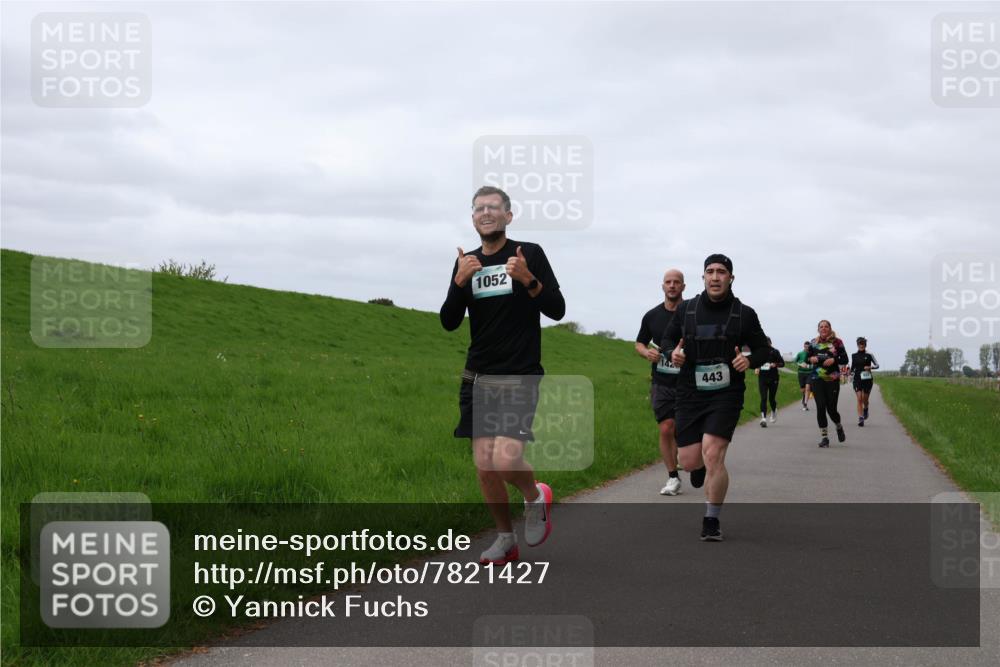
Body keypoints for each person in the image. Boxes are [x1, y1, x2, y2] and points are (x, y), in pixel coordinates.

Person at [440, 186, 565, 565]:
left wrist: (528, 279)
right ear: (473, 218)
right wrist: (459, 282)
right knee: (484, 465)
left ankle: (534, 497)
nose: (486, 212)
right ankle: (505, 540)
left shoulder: (529, 254)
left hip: (520, 374)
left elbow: (557, 309)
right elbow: (448, 322)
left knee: (506, 461)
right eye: (479, 208)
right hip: (477, 376)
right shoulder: (467, 262)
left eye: (494, 207)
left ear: (508, 216)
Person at [661, 254, 770, 541]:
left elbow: (764, 349)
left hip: (727, 393)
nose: (715, 276)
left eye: (722, 272)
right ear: (703, 278)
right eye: (710, 271)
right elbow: (667, 341)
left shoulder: (744, 313)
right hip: (689, 392)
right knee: (689, 461)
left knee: (713, 453)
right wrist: (672, 353)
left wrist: (749, 360)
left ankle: (711, 520)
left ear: (731, 278)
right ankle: (697, 471)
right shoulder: (686, 310)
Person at [635, 270, 686, 495]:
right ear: (662, 286)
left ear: (683, 287)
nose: (672, 285)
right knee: (667, 427)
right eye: (668, 282)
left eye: (677, 282)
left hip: (690, 382)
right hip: (662, 381)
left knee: (685, 431)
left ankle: (692, 460)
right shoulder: (652, 316)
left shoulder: (692, 312)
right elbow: (639, 343)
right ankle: (673, 478)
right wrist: (647, 353)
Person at [807, 321, 849, 447]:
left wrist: (834, 359)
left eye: (826, 326)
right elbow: (806, 358)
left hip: (832, 379)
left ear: (830, 329)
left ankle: (838, 426)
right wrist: (811, 359)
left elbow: (845, 359)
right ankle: (824, 437)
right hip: (817, 378)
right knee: (820, 407)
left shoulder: (837, 342)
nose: (824, 328)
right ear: (818, 329)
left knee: (831, 409)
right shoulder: (813, 342)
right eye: (821, 326)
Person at [755, 337, 784, 427]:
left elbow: (782, 363)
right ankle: (763, 418)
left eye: (767, 343)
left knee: (771, 398)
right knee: (763, 398)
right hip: (762, 378)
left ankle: (774, 410)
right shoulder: (759, 352)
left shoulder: (775, 351)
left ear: (770, 343)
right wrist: (756, 368)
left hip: (773, 378)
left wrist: (775, 364)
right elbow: (755, 362)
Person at [851, 337, 880, 426]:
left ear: (865, 345)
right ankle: (860, 418)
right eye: (860, 343)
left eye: (863, 343)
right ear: (857, 345)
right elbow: (853, 367)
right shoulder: (854, 355)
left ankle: (866, 408)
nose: (861, 345)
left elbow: (877, 365)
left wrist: (870, 367)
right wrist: (849, 372)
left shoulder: (869, 355)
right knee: (859, 398)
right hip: (857, 379)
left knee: (865, 399)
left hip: (867, 379)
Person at [793, 340, 814, 411]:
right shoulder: (800, 353)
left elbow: (814, 364)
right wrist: (800, 364)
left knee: (808, 387)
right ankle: (804, 396)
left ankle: (805, 404)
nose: (807, 348)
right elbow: (795, 361)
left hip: (809, 373)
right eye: (806, 347)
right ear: (804, 346)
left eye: (808, 347)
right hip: (801, 373)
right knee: (803, 389)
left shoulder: (812, 354)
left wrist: (808, 366)